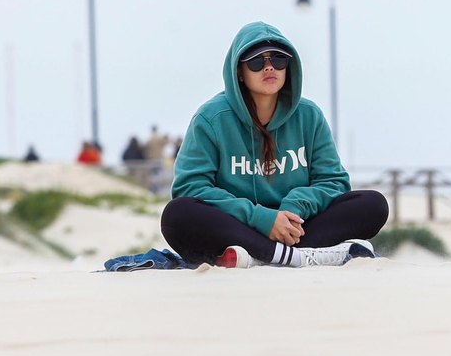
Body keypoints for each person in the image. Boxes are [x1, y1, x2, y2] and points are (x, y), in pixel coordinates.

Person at [160, 22, 387, 268]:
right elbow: (190, 187)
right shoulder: (211, 119)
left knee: (373, 205)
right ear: (239, 72)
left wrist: (294, 208)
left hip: (296, 226)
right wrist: (262, 218)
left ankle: (263, 256)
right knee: (177, 214)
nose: (269, 66)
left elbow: (334, 182)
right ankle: (292, 256)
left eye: (279, 59)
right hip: (238, 226)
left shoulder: (309, 115)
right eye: (256, 61)